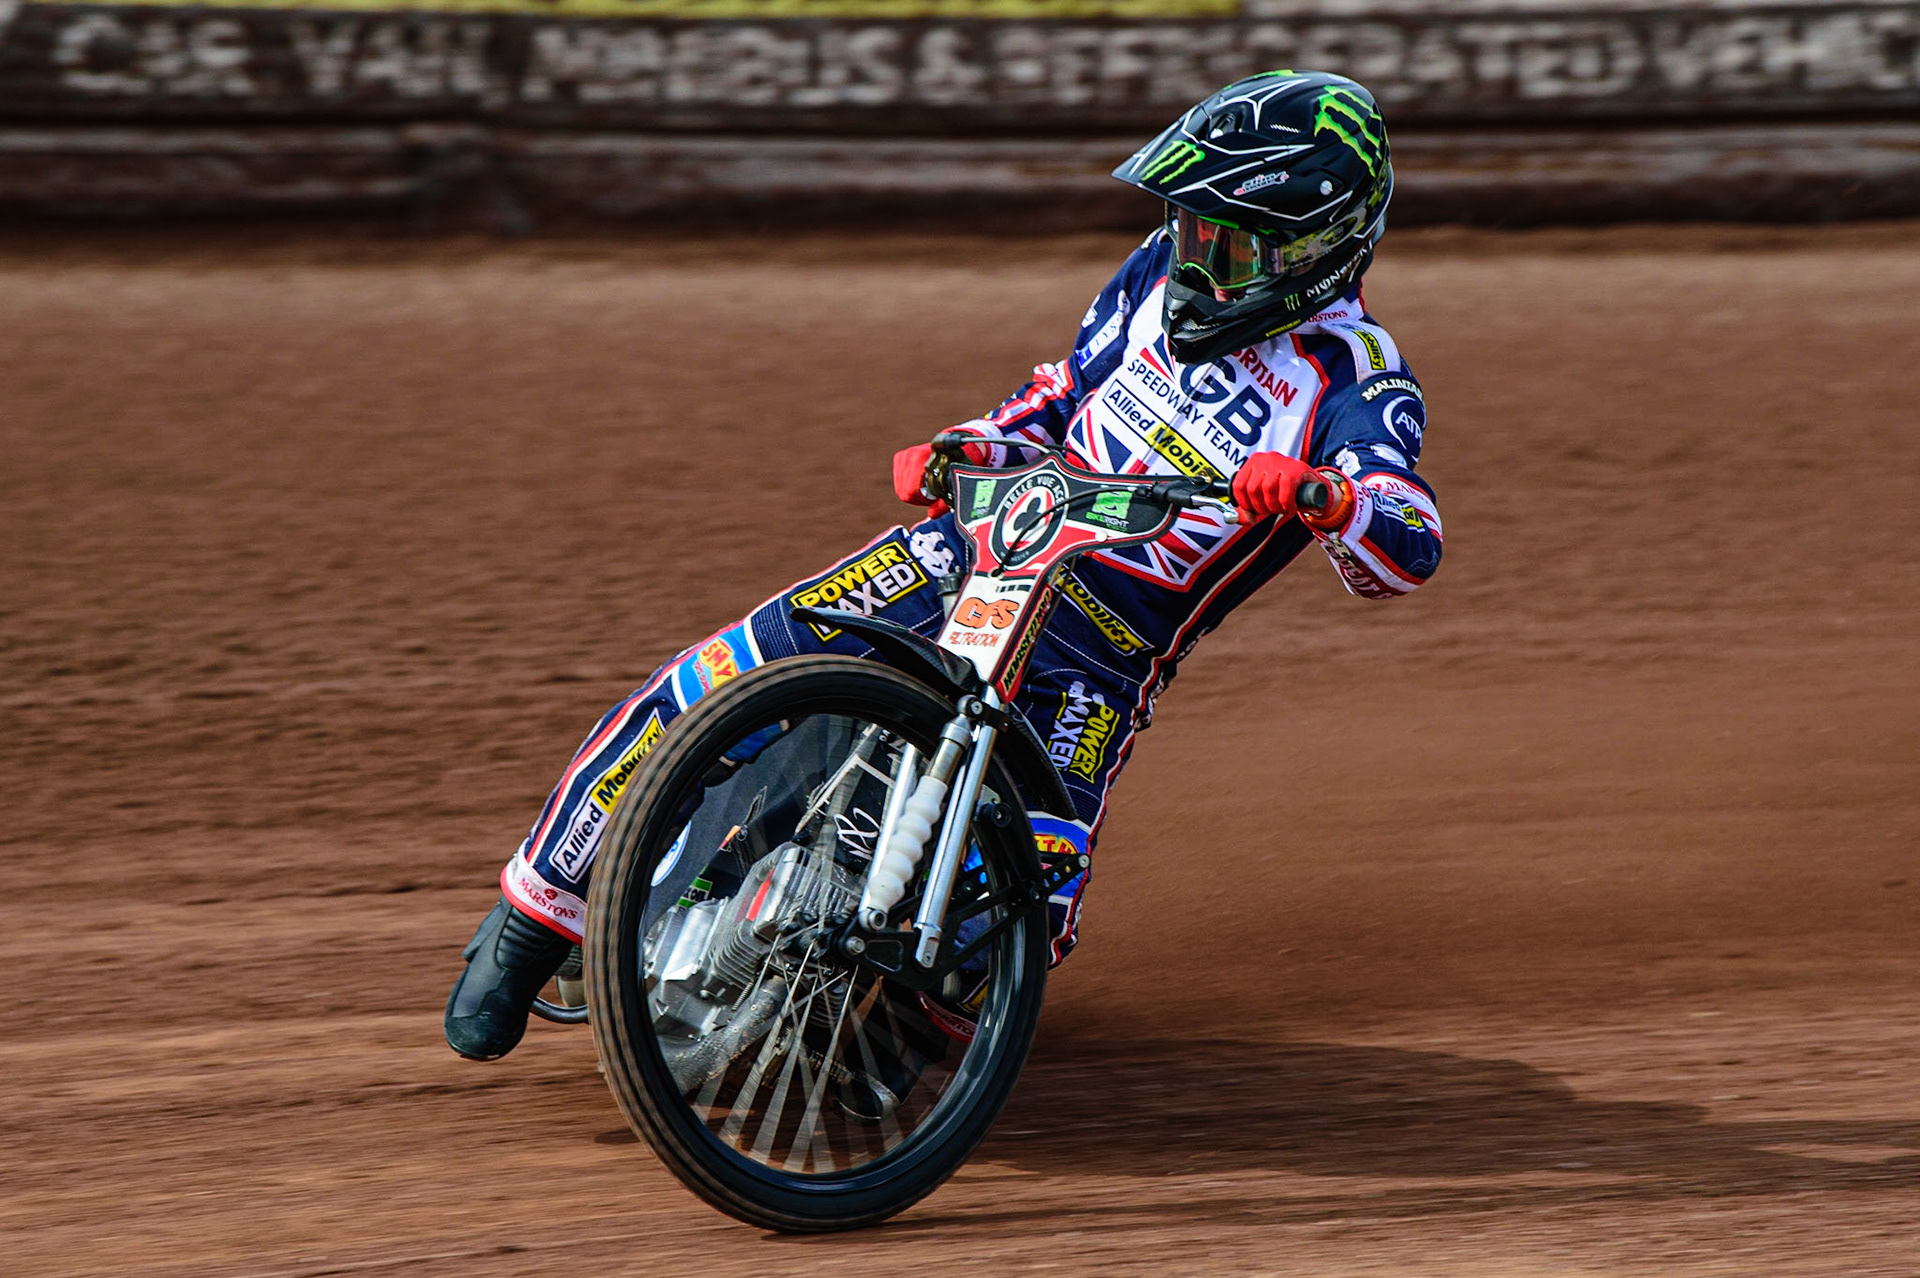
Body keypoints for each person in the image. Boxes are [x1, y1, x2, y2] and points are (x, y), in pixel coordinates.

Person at [445, 70, 1443, 1061]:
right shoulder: (1151, 269)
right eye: (1187, 228)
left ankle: (886, 1032)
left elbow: (1407, 541)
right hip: (983, 540)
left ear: (1314, 251)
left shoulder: (1357, 377)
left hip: (1099, 648)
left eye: (1225, 244)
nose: (1192, 260)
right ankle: (534, 920)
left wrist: (1331, 499)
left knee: (1025, 920)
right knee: (730, 667)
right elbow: (1058, 394)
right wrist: (969, 445)